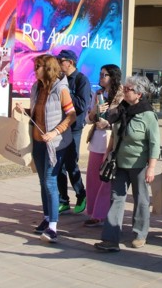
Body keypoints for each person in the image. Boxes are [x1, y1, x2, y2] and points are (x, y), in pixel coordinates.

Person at [94, 76, 161, 252]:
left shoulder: (148, 115)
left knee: (141, 200)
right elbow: (115, 135)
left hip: (139, 165)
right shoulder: (120, 110)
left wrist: (152, 168)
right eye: (125, 87)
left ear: (139, 93)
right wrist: (108, 154)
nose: (124, 90)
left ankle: (140, 233)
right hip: (119, 163)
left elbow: (154, 143)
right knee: (116, 199)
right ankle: (110, 238)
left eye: (129, 89)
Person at [15, 54, 76, 243]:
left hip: (55, 145)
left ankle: (53, 227)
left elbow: (71, 115)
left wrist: (55, 132)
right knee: (43, 182)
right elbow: (38, 113)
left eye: (38, 67)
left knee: (50, 182)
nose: (34, 70)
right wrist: (24, 111)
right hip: (38, 142)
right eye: (35, 67)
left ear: (48, 68)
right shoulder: (37, 87)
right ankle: (47, 217)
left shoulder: (61, 88)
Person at [83, 64, 124, 227]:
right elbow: (87, 119)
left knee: (106, 179)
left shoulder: (122, 94)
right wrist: (94, 111)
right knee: (93, 178)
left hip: (111, 141)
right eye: (100, 74)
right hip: (96, 141)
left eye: (104, 75)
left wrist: (108, 124)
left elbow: (124, 119)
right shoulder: (98, 94)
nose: (100, 77)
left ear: (113, 77)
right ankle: (93, 212)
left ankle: (101, 214)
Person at [56, 49, 90, 214]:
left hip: (74, 128)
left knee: (71, 164)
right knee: (59, 165)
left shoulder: (81, 80)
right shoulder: (60, 78)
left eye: (60, 61)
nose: (58, 64)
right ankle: (63, 200)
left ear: (70, 62)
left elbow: (83, 105)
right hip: (60, 127)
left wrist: (67, 91)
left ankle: (81, 195)